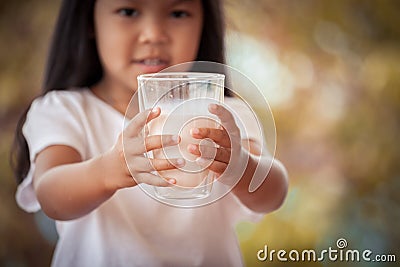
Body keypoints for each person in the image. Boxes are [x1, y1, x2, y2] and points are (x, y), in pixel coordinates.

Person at [12, 0, 288, 266]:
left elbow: (274, 193)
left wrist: (240, 165)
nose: (154, 34)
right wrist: (109, 171)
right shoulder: (65, 110)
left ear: (205, 22)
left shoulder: (226, 115)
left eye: (178, 13)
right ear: (88, 20)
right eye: (128, 11)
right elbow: (51, 196)